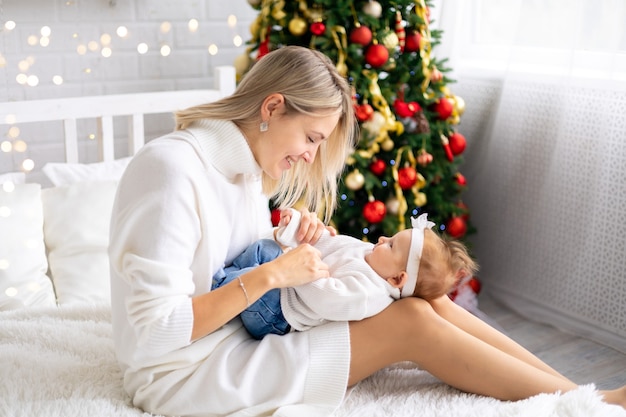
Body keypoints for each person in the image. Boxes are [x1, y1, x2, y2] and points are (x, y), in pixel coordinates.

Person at [108, 45, 626, 417]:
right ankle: (585, 403)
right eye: (311, 137)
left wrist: (297, 239)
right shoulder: (171, 170)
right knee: (411, 324)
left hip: (243, 330)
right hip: (188, 373)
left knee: (423, 301)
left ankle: (582, 392)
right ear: (271, 108)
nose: (309, 156)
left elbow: (229, 260)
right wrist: (270, 276)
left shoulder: (245, 172)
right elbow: (152, 336)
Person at [212, 210, 478, 340]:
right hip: (287, 281)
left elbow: (327, 299)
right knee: (265, 248)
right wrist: (296, 230)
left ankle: (220, 289)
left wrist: (303, 274)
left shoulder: (369, 293)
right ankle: (229, 275)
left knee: (252, 281)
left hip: (279, 313)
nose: (383, 238)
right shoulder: (369, 254)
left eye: (392, 245)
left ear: (397, 280)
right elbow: (328, 243)